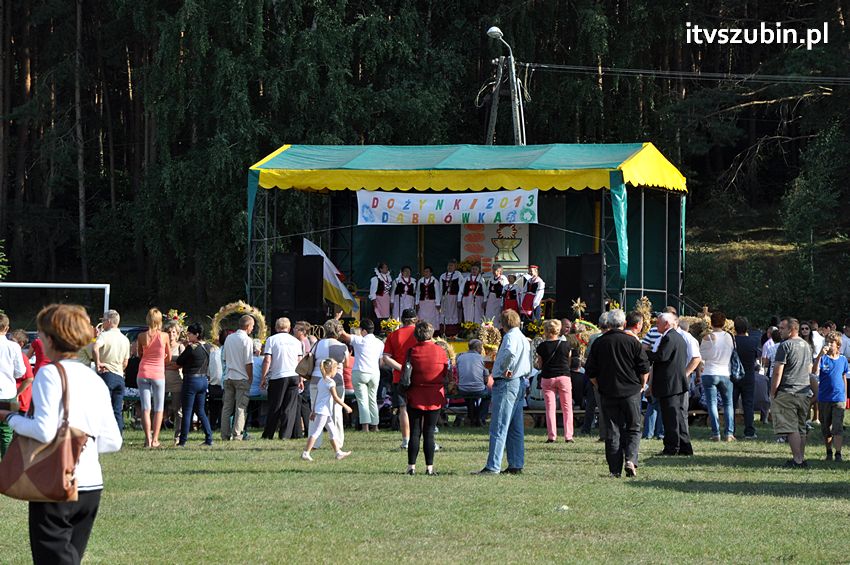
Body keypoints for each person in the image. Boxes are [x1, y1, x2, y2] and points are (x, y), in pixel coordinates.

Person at [1, 304, 122, 564]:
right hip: (91, 486)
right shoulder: (94, 379)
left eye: (41, 333)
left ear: (50, 337)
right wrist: (80, 444)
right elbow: (113, 441)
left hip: (57, 483)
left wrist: (11, 418)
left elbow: (44, 431)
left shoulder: (49, 373)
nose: (38, 338)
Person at [585, 309, 651, 477]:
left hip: (608, 392)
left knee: (612, 430)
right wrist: (643, 384)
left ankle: (614, 470)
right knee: (634, 427)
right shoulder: (632, 342)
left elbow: (590, 371)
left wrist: (599, 385)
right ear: (623, 324)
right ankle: (630, 459)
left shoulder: (599, 343)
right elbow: (644, 367)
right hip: (631, 391)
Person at [474, 309, 531, 475]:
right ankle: (516, 463)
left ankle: (493, 465)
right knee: (515, 427)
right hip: (519, 382)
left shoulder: (510, 337)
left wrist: (506, 368)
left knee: (499, 425)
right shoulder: (522, 337)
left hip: (507, 383)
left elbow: (509, 353)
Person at [405, 321, 447, 475]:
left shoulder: (412, 351)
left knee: (415, 432)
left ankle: (411, 467)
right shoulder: (441, 351)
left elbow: (406, 372)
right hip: (434, 395)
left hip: (415, 394)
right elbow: (444, 373)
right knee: (429, 432)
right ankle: (429, 468)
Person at [770, 317, 813, 468]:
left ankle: (797, 460)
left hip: (788, 391)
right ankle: (801, 457)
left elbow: (777, 372)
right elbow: (809, 370)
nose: (779, 331)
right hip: (804, 391)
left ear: (792, 329)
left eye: (782, 328)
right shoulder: (806, 345)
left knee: (790, 427)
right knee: (801, 427)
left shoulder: (785, 345)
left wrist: (773, 391)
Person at [648, 313, 693, 456]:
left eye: (658, 323)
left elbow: (661, 356)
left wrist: (645, 353)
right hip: (677, 383)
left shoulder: (669, 337)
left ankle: (672, 447)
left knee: (670, 417)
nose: (656, 326)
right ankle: (684, 446)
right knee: (678, 417)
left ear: (667, 324)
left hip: (669, 384)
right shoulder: (678, 337)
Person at [260, 318, 303, 440]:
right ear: (289, 329)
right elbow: (300, 361)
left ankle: (268, 434)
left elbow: (267, 360)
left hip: (278, 376)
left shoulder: (271, 340)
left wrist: (263, 377)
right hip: (294, 375)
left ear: (276, 328)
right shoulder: (296, 341)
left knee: (275, 406)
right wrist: (300, 379)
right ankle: (285, 435)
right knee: (289, 407)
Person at [301, 359, 352, 461]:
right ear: (331, 369)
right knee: (316, 432)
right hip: (323, 412)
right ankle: (306, 453)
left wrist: (313, 410)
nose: (337, 371)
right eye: (336, 369)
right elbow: (336, 398)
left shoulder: (321, 380)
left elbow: (317, 397)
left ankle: (338, 452)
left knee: (333, 432)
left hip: (324, 411)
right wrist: (346, 406)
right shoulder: (330, 382)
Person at [309, 319, 349, 448]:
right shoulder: (342, 346)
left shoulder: (316, 344)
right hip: (336, 380)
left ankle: (315, 443)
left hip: (316, 379)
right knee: (336, 412)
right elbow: (347, 364)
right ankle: (338, 441)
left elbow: (310, 358)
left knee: (315, 410)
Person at [338, 318, 384, 432]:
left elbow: (343, 334)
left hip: (360, 371)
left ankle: (365, 427)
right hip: (374, 372)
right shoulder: (380, 342)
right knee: (372, 399)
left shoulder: (358, 340)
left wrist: (337, 320)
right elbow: (381, 363)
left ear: (363, 331)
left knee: (363, 400)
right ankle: (376, 426)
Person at [382, 308, 418, 449]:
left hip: (399, 377)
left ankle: (406, 440)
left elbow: (386, 358)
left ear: (402, 320)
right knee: (420, 409)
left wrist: (401, 368)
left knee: (403, 409)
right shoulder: (420, 334)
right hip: (417, 375)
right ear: (416, 319)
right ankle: (422, 437)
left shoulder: (393, 335)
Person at [136, 308, 172, 448]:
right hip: (158, 373)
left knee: (146, 407)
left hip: (143, 372)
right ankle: (155, 439)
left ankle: (147, 439)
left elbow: (140, 354)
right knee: (158, 407)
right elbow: (168, 357)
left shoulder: (141, 336)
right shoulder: (164, 336)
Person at [175, 323, 214, 446]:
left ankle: (182, 441)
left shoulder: (192, 348)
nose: (188, 335)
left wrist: (186, 346)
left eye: (190, 333)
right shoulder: (208, 347)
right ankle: (209, 438)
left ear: (196, 334)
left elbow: (179, 361)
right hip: (203, 381)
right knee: (201, 411)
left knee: (187, 411)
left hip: (191, 380)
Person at [535, 319, 574, 443]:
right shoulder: (566, 345)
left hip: (548, 377)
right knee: (567, 407)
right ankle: (568, 436)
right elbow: (568, 362)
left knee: (550, 407)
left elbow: (540, 365)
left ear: (546, 330)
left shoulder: (542, 346)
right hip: (564, 376)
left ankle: (552, 435)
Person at [92, 310, 130, 433]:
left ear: (109, 321)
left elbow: (95, 347)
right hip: (119, 376)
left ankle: (102, 436)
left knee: (103, 408)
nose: (102, 323)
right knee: (117, 410)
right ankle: (118, 437)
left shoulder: (104, 336)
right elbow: (125, 362)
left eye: (103, 320)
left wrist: (98, 363)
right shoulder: (125, 339)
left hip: (106, 374)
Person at [699, 311, 735, 442]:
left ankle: (716, 433)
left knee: (712, 403)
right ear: (724, 322)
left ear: (711, 323)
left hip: (710, 372)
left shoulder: (707, 338)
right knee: (728, 403)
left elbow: (702, 356)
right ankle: (729, 432)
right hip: (725, 372)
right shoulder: (729, 337)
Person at [813, 331, 848, 462]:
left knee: (837, 426)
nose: (829, 344)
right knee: (825, 427)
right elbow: (814, 370)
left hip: (838, 398)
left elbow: (843, 377)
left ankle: (838, 454)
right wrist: (820, 355)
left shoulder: (843, 359)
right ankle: (829, 452)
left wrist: (844, 395)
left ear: (837, 345)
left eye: (831, 342)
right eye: (827, 342)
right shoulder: (823, 359)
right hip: (824, 398)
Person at [220, 315, 255, 441]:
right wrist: (250, 377)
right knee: (240, 407)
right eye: (252, 326)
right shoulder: (247, 340)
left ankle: (224, 434)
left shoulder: (229, 338)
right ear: (247, 326)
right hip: (242, 377)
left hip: (229, 376)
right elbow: (248, 362)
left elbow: (224, 357)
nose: (252, 329)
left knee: (227, 407)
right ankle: (237, 434)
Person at [0, 313, 25, 457]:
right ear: (7, 328)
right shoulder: (14, 346)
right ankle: (7, 469)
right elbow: (20, 372)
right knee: (7, 432)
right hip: (8, 393)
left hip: (7, 392)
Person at [733, 317, 760, 440]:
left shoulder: (732, 341)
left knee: (731, 404)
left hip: (733, 375)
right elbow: (756, 357)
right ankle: (749, 430)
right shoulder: (753, 341)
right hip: (748, 374)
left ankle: (730, 429)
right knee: (748, 404)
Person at [456, 339, 490, 426]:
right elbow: (486, 377)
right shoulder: (481, 358)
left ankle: (473, 417)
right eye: (481, 347)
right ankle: (480, 417)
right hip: (478, 389)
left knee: (469, 396)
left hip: (463, 388)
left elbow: (458, 374)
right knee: (489, 394)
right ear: (477, 348)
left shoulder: (460, 357)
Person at [163, 320, 185, 445]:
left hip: (177, 381)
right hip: (162, 380)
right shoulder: (161, 346)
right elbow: (159, 363)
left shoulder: (180, 347)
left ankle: (178, 435)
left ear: (177, 334)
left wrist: (170, 365)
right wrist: (172, 364)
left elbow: (181, 364)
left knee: (178, 410)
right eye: (169, 332)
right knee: (158, 408)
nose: (171, 334)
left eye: (174, 332)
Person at [10, 329, 34, 417]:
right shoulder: (11, 355)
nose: (9, 343)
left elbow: (29, 378)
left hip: (21, 400)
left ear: (20, 344)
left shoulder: (22, 357)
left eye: (12, 341)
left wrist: (17, 393)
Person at [439, 260, 462, 337]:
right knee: (445, 313)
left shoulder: (458, 275)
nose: (450, 267)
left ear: (455, 267)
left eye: (452, 265)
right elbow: (440, 289)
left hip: (454, 298)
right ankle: (444, 331)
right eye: (449, 265)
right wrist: (439, 301)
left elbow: (461, 288)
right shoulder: (442, 276)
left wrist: (459, 299)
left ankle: (454, 332)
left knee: (454, 314)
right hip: (445, 298)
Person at [207, 334, 224, 430]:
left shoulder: (213, 353)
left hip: (213, 388)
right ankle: (222, 424)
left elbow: (209, 372)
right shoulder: (228, 352)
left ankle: (212, 424)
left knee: (213, 407)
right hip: (224, 387)